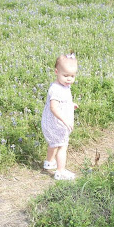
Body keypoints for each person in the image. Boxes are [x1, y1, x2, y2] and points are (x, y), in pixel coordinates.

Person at [41, 52, 79, 180]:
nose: (69, 79)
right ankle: (60, 171)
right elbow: (53, 108)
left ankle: (49, 162)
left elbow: (62, 102)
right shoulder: (56, 89)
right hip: (57, 123)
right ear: (56, 72)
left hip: (52, 123)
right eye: (66, 75)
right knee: (62, 145)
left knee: (54, 143)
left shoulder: (63, 86)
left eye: (72, 76)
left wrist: (70, 105)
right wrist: (64, 120)